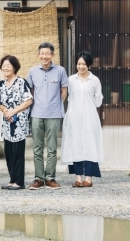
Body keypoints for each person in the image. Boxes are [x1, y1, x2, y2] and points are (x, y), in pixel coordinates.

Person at [26, 42, 68, 190]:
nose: (44, 56)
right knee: (37, 147)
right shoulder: (32, 71)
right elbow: (30, 92)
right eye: (42, 53)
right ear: (38, 55)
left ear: (52, 55)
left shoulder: (60, 70)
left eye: (47, 53)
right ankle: (38, 178)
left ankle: (50, 178)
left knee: (51, 148)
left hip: (54, 114)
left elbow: (64, 91)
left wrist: (56, 105)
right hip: (36, 114)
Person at [60, 51, 104, 187]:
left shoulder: (94, 80)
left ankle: (88, 179)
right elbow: (66, 96)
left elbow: (98, 101)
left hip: (90, 117)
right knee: (75, 145)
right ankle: (78, 178)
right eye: (79, 64)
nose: (81, 66)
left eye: (84, 64)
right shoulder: (71, 80)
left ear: (89, 65)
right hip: (74, 117)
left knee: (90, 145)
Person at [0, 55, 33, 190]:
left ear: (14, 67)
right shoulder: (1, 84)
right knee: (8, 152)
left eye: (8, 65)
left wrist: (13, 111)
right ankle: (12, 179)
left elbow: (29, 101)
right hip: (7, 121)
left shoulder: (21, 82)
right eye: (3, 65)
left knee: (18, 152)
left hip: (19, 123)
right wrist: (5, 111)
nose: (5, 67)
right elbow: (0, 102)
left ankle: (19, 181)